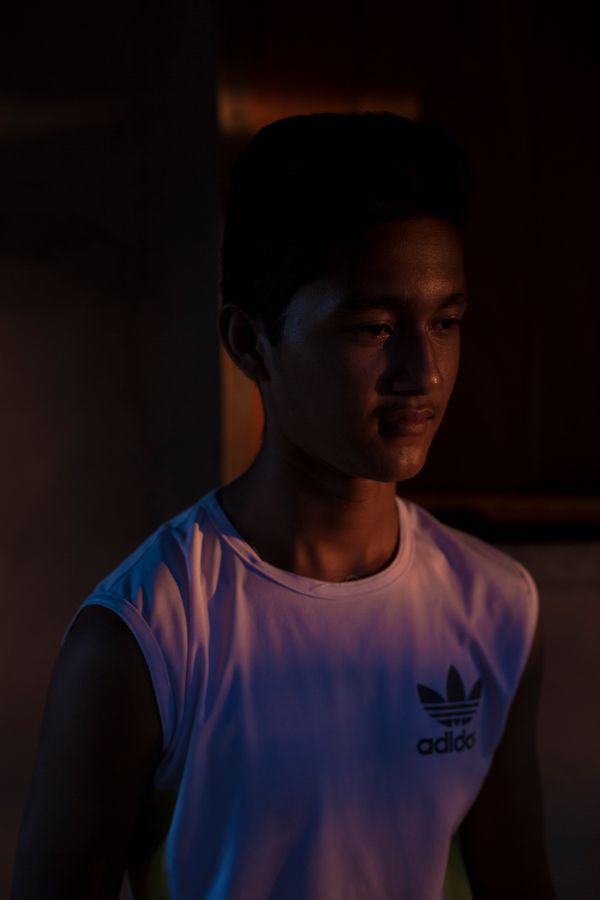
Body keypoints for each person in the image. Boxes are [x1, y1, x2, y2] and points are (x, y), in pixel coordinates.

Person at [11, 112, 557, 900]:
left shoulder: (498, 610)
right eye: (374, 327)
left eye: (446, 322)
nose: (425, 371)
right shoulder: (148, 636)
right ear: (248, 342)